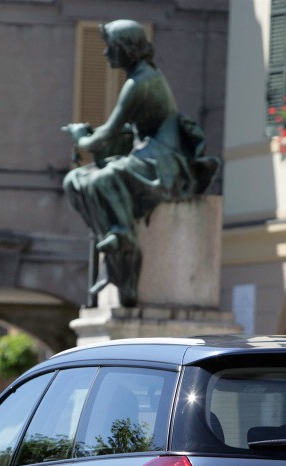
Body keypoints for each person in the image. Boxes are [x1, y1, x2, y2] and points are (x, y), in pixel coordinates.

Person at [63, 20, 219, 307]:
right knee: (73, 181)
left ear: (127, 49)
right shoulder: (139, 78)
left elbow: (105, 135)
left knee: (103, 179)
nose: (106, 54)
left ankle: (122, 239)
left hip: (165, 161)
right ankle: (110, 236)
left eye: (110, 47)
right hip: (147, 153)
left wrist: (79, 137)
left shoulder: (140, 82)